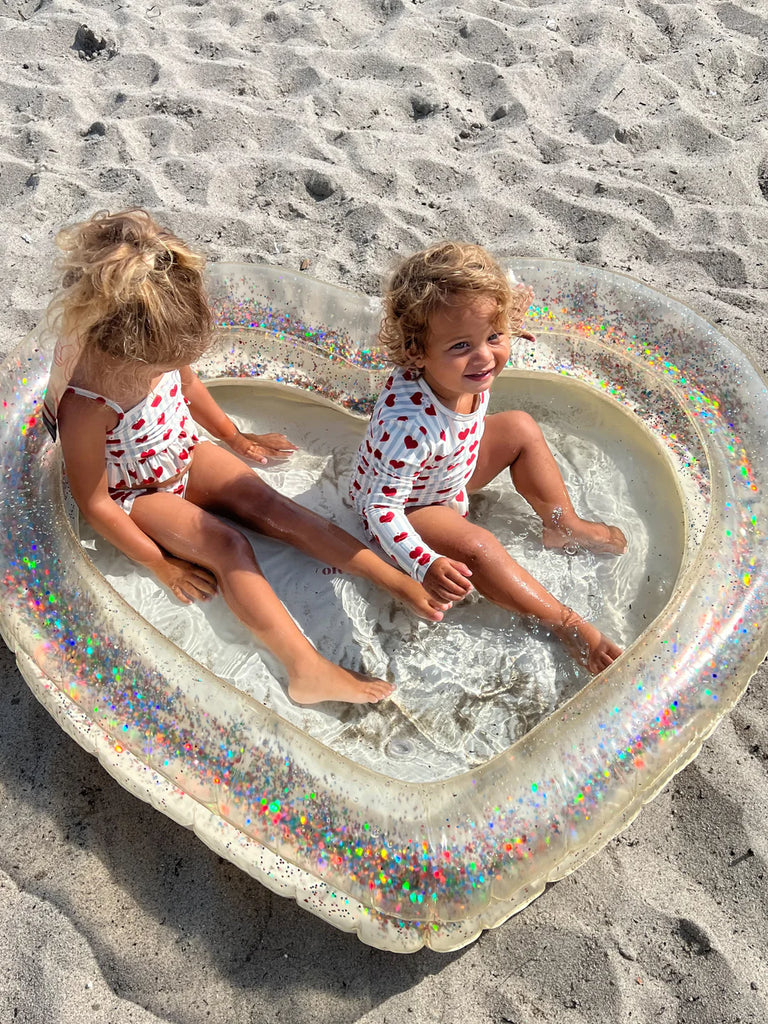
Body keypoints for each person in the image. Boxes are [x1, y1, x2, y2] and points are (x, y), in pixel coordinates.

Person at [43, 209, 449, 706]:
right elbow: (96, 502)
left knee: (274, 506)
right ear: (122, 343)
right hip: (138, 492)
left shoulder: (154, 337)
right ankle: (306, 670)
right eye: (163, 363)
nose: (172, 367)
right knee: (228, 546)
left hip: (182, 451)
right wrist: (158, 564)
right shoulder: (87, 404)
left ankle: (390, 576)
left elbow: (188, 387)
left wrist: (234, 437)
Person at [350, 241, 627, 674]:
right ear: (416, 352)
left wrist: (507, 323)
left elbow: (487, 322)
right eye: (462, 345)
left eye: (493, 338)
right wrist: (424, 562)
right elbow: (377, 507)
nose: (485, 357)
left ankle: (563, 526)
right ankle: (565, 623)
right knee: (480, 546)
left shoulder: (467, 361)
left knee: (518, 426)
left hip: (450, 470)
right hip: (414, 506)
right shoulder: (408, 425)